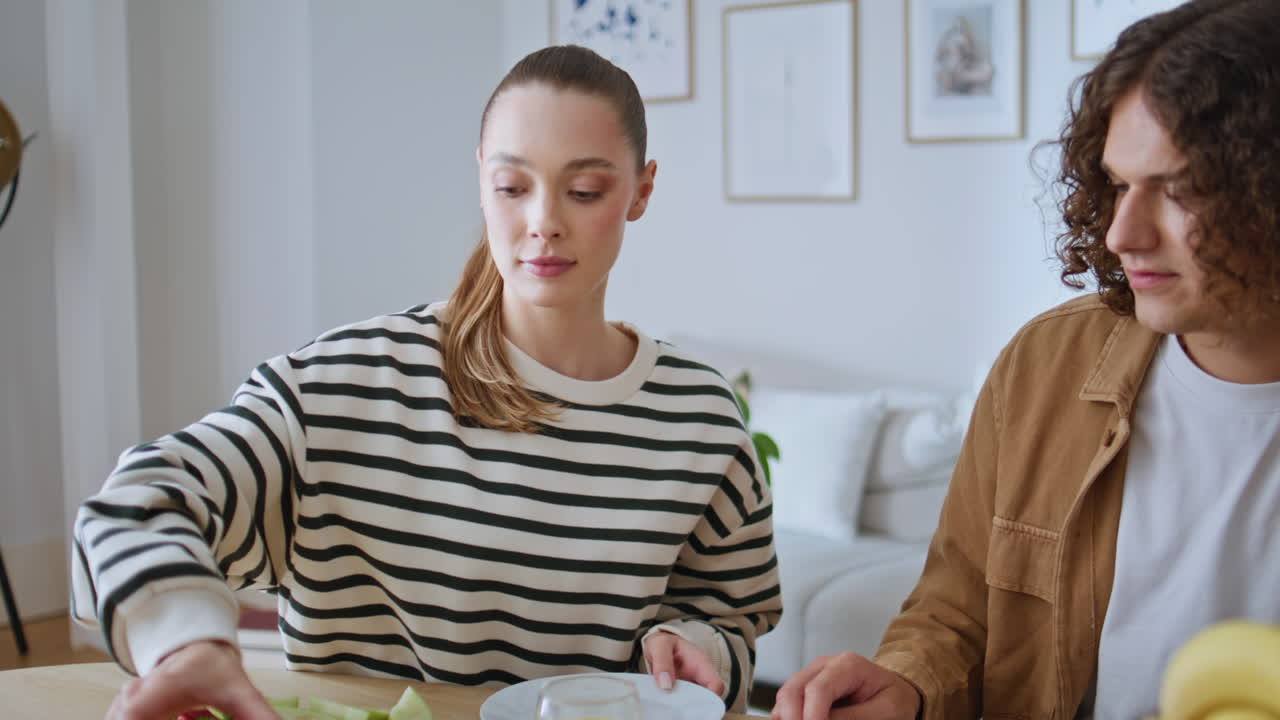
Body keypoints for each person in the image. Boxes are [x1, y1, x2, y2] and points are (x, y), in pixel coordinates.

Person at [72, 45, 781, 720]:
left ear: (641, 191)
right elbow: (139, 500)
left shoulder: (701, 420)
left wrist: (704, 647)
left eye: (585, 189)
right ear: (480, 179)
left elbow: (728, 619)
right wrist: (186, 640)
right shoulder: (349, 386)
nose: (543, 223)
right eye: (511, 186)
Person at [772, 1, 1280, 718]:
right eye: (1118, 185)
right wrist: (909, 688)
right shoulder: (1048, 364)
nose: (1122, 234)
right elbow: (955, 611)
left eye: (1182, 190)